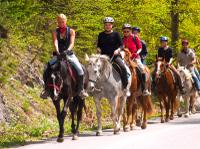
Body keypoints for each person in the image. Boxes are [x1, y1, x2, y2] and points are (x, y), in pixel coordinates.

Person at [40, 13, 88, 99]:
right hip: (58, 55)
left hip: (69, 54)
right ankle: (46, 90)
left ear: (65, 21)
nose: (61, 23)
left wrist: (67, 50)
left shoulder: (71, 31)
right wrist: (57, 51)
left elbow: (72, 43)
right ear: (57, 22)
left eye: (62, 22)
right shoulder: (55, 31)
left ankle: (81, 90)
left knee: (80, 70)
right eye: (59, 22)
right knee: (46, 68)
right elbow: (55, 42)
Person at [97, 17, 130, 96]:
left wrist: (118, 50)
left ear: (112, 25)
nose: (107, 26)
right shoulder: (101, 35)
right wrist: (98, 49)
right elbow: (99, 46)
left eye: (109, 25)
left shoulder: (116, 34)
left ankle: (125, 87)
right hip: (103, 57)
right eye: (106, 25)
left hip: (114, 56)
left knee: (122, 67)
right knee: (95, 68)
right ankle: (95, 87)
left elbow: (122, 45)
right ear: (104, 26)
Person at [122, 23, 150, 96]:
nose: (126, 33)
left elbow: (140, 48)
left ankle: (144, 88)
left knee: (141, 69)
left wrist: (136, 53)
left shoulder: (135, 37)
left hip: (135, 57)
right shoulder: (122, 39)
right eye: (124, 31)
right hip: (126, 58)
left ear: (130, 31)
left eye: (128, 31)